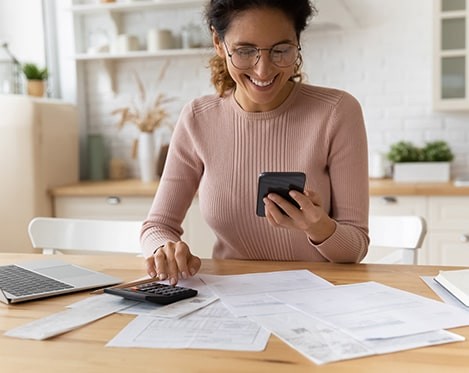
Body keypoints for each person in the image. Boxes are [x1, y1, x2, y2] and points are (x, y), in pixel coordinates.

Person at [141, 0, 369, 285]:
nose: (263, 71)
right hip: (231, 296)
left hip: (318, 296)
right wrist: (164, 248)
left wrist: (319, 226)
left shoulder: (337, 111)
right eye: (245, 50)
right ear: (218, 42)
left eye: (281, 50)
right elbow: (157, 226)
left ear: (298, 42)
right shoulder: (198, 118)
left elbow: (355, 247)